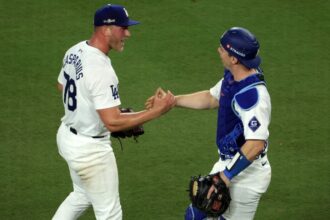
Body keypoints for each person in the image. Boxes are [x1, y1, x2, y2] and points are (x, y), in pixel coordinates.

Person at [53, 4, 175, 220]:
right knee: (110, 215)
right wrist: (157, 111)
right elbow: (112, 122)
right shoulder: (101, 69)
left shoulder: (75, 50)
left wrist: (95, 112)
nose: (127, 34)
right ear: (106, 29)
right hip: (91, 152)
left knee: (81, 195)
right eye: (123, 28)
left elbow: (62, 86)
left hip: (67, 137)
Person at [146, 27, 271, 220]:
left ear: (234, 58)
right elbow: (212, 98)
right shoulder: (234, 76)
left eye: (223, 49)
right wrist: (173, 101)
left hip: (248, 174)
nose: (218, 50)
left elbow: (256, 145)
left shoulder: (252, 97)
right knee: (194, 215)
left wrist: (226, 176)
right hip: (228, 163)